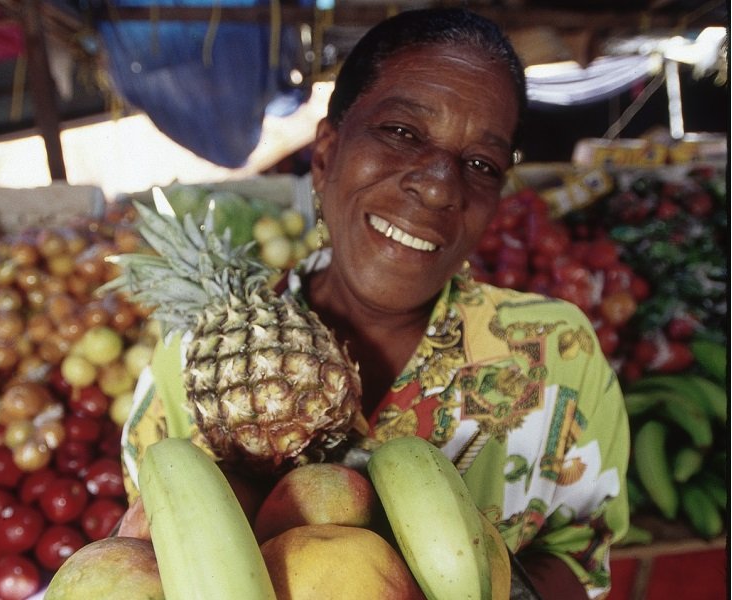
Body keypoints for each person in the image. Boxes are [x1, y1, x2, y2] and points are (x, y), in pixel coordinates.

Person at [120, 7, 630, 599]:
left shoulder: (557, 352)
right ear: (326, 156)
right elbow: (150, 557)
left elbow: (582, 550)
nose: (440, 184)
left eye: (481, 164)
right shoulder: (188, 364)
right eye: (403, 132)